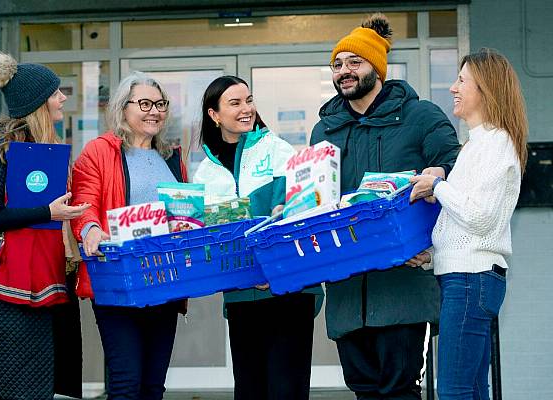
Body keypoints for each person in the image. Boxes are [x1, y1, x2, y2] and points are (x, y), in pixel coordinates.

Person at [310, 14, 460, 399]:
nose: (344, 71)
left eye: (354, 62)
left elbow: (457, 178)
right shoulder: (324, 129)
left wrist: (429, 244)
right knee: (363, 389)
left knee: (400, 390)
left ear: (377, 67)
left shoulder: (420, 117)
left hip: (403, 289)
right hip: (346, 289)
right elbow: (314, 201)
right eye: (338, 64)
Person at [0, 52, 89, 400]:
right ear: (36, 101)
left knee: (41, 387)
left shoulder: (43, 148)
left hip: (45, 286)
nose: (62, 97)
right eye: (55, 92)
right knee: (16, 389)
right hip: (5, 293)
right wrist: (46, 212)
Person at [193, 75, 324, 400]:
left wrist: (272, 268)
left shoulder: (278, 151)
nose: (246, 109)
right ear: (214, 114)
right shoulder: (204, 172)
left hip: (288, 289)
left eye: (248, 100)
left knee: (286, 390)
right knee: (250, 390)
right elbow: (208, 238)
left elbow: (298, 215)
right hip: (241, 295)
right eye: (235, 103)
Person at [408, 48, 528, 400]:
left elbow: (479, 216)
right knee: (473, 389)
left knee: (455, 391)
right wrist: (431, 254)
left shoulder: (495, 144)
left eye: (462, 80)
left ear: (486, 89)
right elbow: (468, 221)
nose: (453, 88)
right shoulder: (478, 145)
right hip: (468, 278)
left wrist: (439, 187)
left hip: (470, 281)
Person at [70, 71, 188, 400]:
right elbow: (84, 201)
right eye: (146, 104)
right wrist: (90, 229)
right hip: (117, 277)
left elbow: (183, 213)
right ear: (123, 108)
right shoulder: (99, 151)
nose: (155, 111)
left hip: (165, 280)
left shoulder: (172, 157)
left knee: (153, 384)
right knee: (126, 381)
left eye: (161, 104)